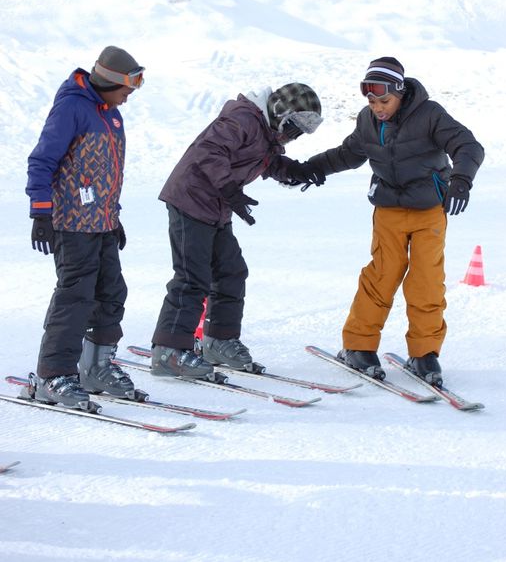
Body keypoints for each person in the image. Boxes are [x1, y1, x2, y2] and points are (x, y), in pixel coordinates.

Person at [286, 57, 484, 386]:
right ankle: (359, 346)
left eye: (384, 101)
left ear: (401, 93)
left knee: (427, 280)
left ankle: (424, 353)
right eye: (372, 101)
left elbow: (467, 145)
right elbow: (347, 154)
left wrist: (461, 180)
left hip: (429, 211)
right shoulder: (367, 121)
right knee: (381, 275)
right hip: (389, 210)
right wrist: (310, 168)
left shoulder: (430, 115)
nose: (378, 108)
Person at [151, 83, 325, 379]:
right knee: (193, 278)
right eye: (293, 128)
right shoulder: (243, 119)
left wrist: (296, 172)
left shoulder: (265, 132)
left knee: (231, 272)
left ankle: (218, 340)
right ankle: (168, 350)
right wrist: (230, 189)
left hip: (215, 208)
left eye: (298, 133)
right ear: (281, 113)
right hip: (190, 201)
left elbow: (264, 161)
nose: (292, 137)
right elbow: (209, 150)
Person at [26, 46, 145, 408]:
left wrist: (114, 215)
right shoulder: (72, 108)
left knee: (112, 292)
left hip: (102, 222)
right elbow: (42, 159)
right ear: (109, 83)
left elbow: (104, 173)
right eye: (126, 90)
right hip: (70, 223)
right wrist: (41, 212)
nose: (128, 98)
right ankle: (54, 375)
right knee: (75, 297)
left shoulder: (111, 114)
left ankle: (96, 366)